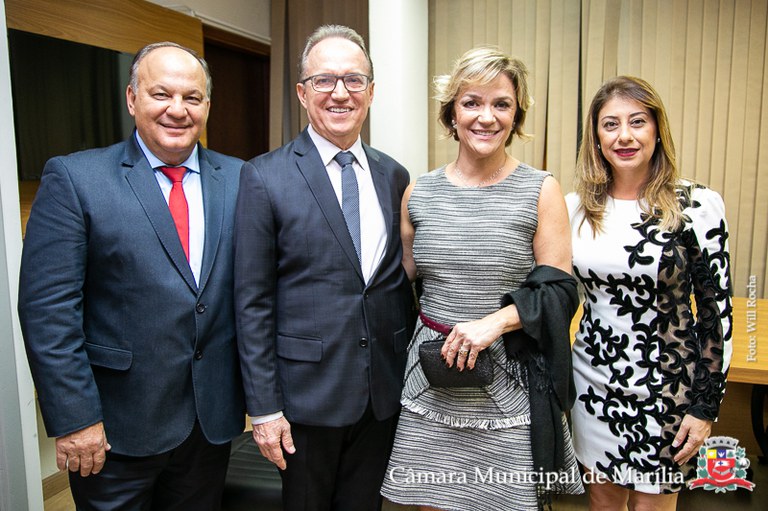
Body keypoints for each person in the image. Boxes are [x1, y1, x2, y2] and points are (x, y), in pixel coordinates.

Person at [18, 42, 245, 510]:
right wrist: (76, 418)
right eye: (161, 94)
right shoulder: (76, 178)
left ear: (207, 105)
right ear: (132, 98)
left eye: (192, 97)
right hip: (114, 428)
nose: (177, 109)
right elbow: (48, 311)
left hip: (210, 423)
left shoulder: (242, 178)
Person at [380, 47, 583, 511]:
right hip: (431, 379)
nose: (486, 117)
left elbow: (559, 291)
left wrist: (494, 322)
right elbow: (398, 282)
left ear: (516, 115)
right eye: (471, 102)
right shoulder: (419, 192)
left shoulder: (540, 188)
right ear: (452, 112)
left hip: (507, 384)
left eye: (501, 104)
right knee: (430, 501)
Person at [234, 25, 415, 511]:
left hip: (382, 392)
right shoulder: (263, 176)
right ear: (302, 93)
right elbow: (252, 302)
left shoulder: (394, 175)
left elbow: (394, 283)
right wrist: (264, 408)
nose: (340, 93)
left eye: (354, 80)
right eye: (324, 80)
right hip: (305, 399)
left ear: (371, 92)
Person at [566, 75, 733, 510]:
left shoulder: (697, 205)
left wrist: (705, 408)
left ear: (658, 130)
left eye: (637, 121)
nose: (624, 136)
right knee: (603, 502)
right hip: (593, 383)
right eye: (610, 124)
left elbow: (716, 313)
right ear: (596, 136)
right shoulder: (575, 208)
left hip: (668, 390)